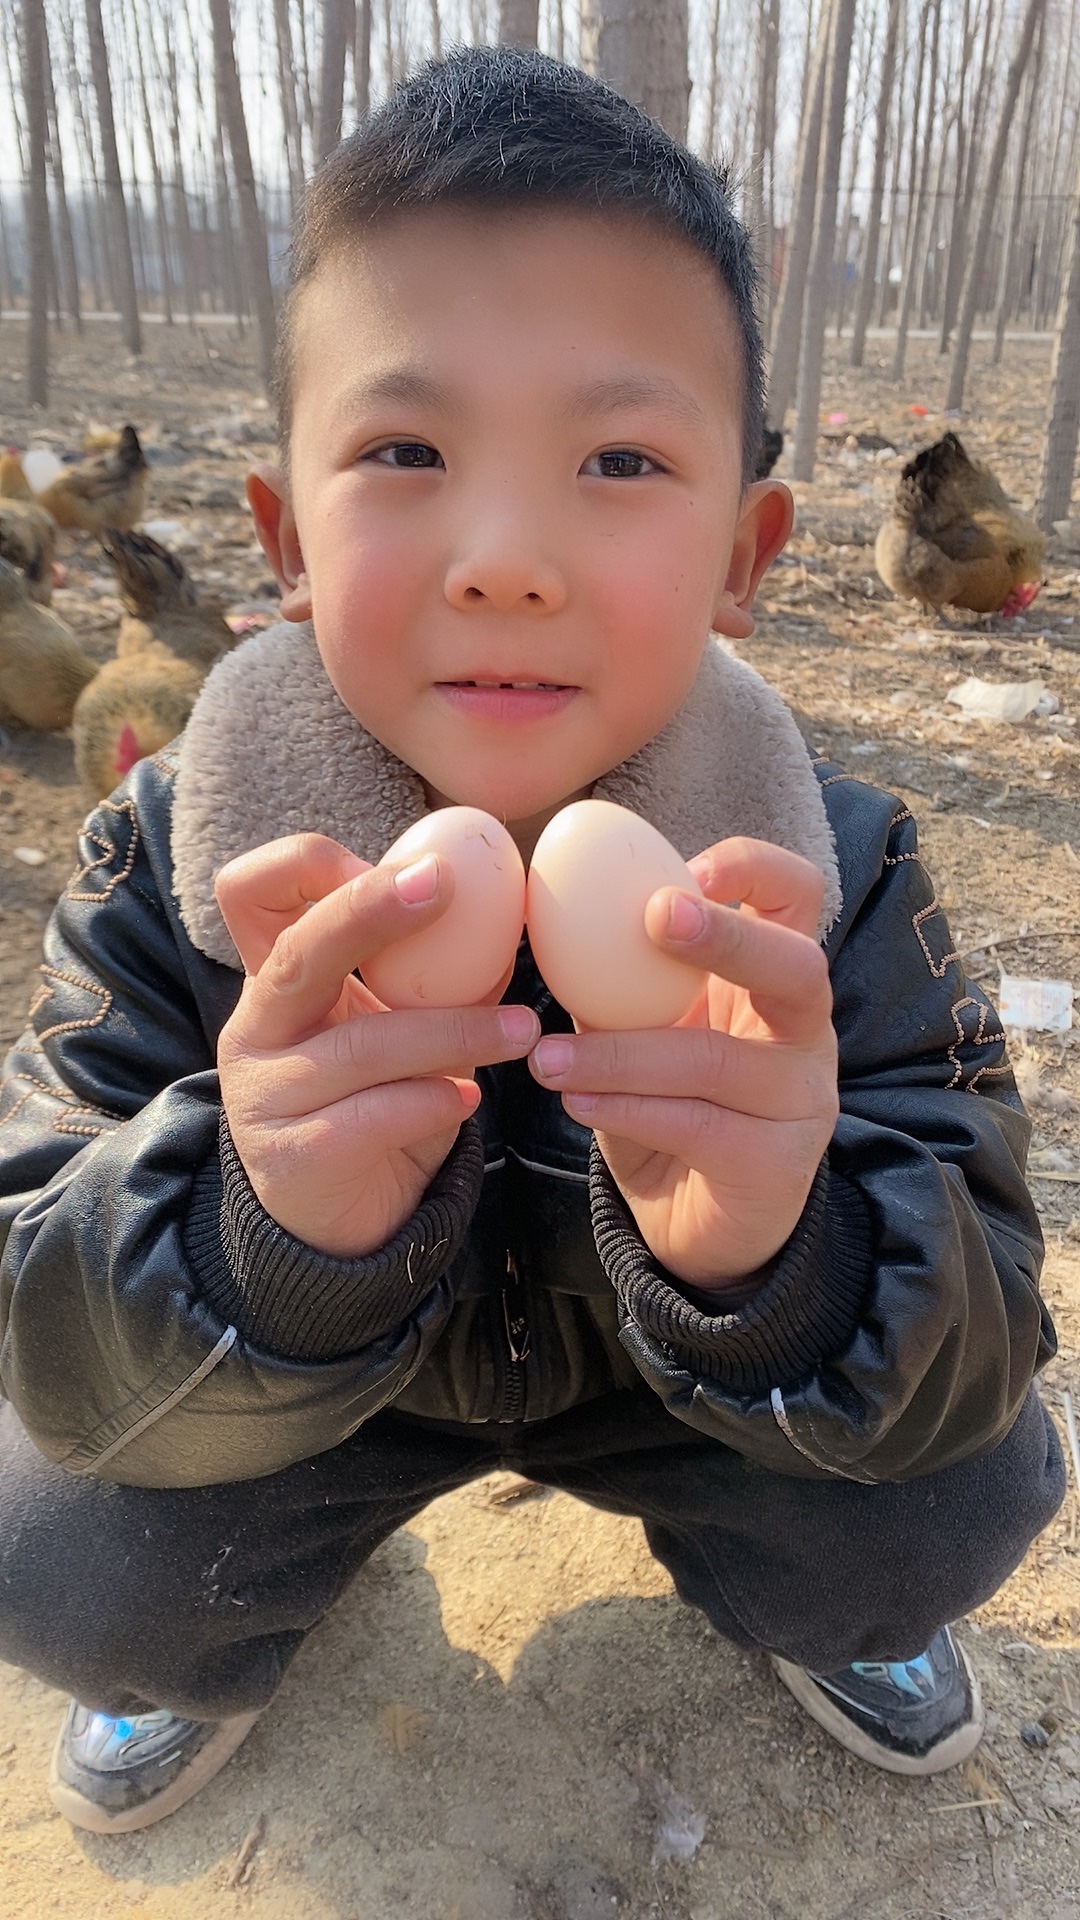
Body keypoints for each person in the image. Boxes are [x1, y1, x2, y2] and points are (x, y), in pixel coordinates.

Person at [0, 45, 1064, 1837]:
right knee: (60, 1554)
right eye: (407, 450)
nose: (505, 554)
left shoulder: (830, 868)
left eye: (620, 458)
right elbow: (34, 1296)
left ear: (747, 553)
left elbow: (990, 1298)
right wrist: (259, 1239)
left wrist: (789, 1262)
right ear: (283, 534)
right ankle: (224, 1619)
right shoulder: (182, 856)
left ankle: (816, 1599)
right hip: (327, 1402)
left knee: (943, 1504)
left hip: (683, 1400)